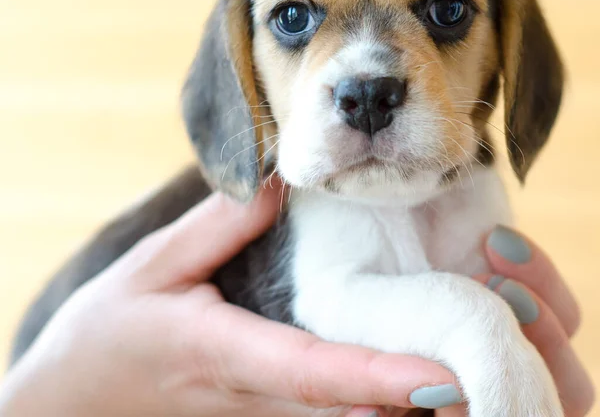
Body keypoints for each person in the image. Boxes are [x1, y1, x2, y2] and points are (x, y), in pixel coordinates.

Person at [0, 178, 594, 417]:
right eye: (293, 18)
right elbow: (330, 299)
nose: (369, 72)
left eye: (445, 11)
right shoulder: (288, 186)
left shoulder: (472, 191)